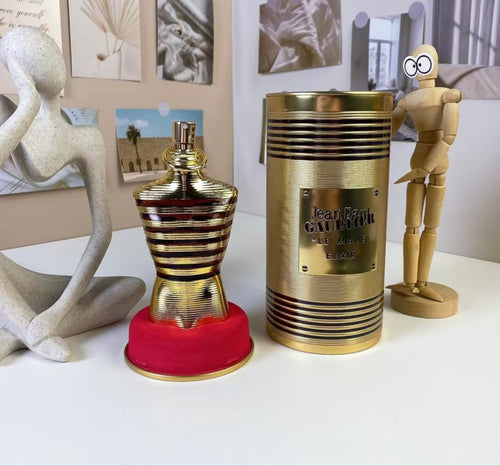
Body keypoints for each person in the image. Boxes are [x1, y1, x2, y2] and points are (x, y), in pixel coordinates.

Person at [0, 27, 145, 362]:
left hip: (44, 298)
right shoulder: (7, 112)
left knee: (133, 288)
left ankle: (18, 333)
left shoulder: (86, 138)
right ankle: (28, 329)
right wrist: (27, 103)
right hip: (7, 277)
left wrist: (58, 311)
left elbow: (102, 233)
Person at [389, 44, 461, 315]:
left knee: (429, 226)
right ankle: (410, 283)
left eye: (423, 62)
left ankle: (421, 282)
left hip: (433, 160)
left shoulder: (446, 95)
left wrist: (426, 165)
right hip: (420, 159)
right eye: (415, 63)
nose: (419, 69)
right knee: (412, 226)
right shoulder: (409, 99)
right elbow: (389, 129)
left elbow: (449, 137)